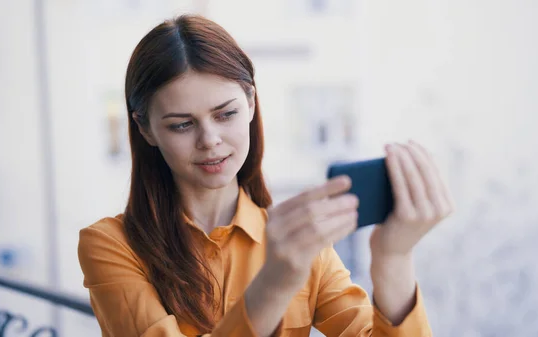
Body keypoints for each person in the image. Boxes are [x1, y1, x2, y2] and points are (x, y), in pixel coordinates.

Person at [77, 14, 454, 337]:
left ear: (252, 103)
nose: (210, 140)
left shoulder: (303, 244)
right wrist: (275, 281)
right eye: (181, 125)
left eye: (226, 114)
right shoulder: (110, 245)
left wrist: (394, 258)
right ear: (145, 130)